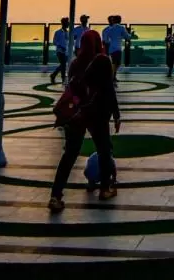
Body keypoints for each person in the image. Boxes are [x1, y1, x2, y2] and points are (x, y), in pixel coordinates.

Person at [48, 29, 121, 212]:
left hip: (76, 116)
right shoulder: (103, 61)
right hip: (97, 115)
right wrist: (116, 114)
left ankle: (56, 196)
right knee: (104, 151)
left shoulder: (74, 63)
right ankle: (105, 189)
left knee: (69, 155)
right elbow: (109, 90)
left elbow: (71, 88)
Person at [50, 17, 70, 85]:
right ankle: (63, 78)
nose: (68, 24)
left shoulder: (68, 33)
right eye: (67, 22)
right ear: (64, 23)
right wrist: (61, 46)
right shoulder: (58, 32)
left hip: (66, 52)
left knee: (63, 65)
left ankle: (54, 75)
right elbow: (54, 42)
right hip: (60, 51)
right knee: (63, 64)